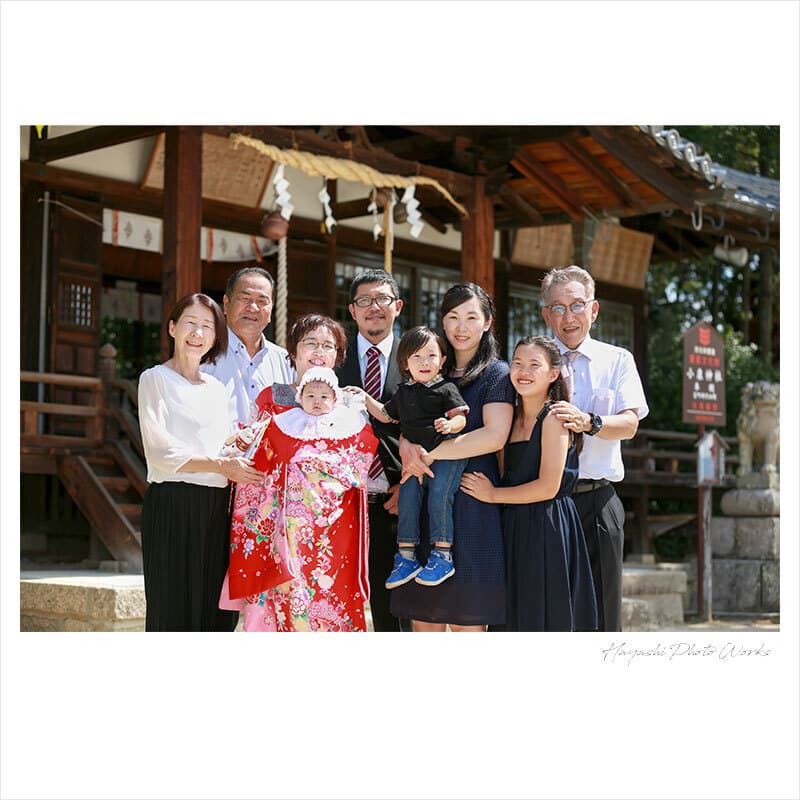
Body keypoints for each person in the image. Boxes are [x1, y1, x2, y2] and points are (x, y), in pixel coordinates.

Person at [391, 283, 515, 631]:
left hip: (473, 500)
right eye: (453, 317)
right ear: (442, 322)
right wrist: (406, 446)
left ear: (487, 322)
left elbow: (494, 435)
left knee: (467, 621)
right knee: (424, 620)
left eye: (471, 318)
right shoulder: (426, 370)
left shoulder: (497, 374)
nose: (461, 327)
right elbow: (408, 423)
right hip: (426, 497)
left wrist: (427, 454)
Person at [138, 293, 264, 632]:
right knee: (174, 606)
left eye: (207, 326)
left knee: (216, 611)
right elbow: (161, 453)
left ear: (215, 336)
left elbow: (222, 445)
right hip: (173, 504)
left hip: (217, 508)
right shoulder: (155, 379)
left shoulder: (215, 387)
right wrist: (223, 466)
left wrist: (245, 446)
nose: (198, 333)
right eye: (190, 323)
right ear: (173, 328)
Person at [221, 366, 378, 632]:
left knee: (333, 578)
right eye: (310, 395)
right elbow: (259, 457)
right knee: (293, 583)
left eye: (324, 396)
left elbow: (361, 461)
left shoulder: (352, 425)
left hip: (336, 522)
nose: (317, 402)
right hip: (292, 522)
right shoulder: (282, 423)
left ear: (335, 398)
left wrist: (324, 474)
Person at [460, 336, 598, 632]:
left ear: (552, 374)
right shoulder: (508, 416)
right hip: (512, 524)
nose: (523, 371)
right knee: (511, 617)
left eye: (534, 365)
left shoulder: (555, 417)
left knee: (542, 616)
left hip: (547, 525)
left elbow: (548, 486)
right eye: (518, 363)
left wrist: (493, 494)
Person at [540, 265, 649, 632]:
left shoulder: (617, 360)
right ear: (546, 314)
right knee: (550, 611)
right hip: (546, 501)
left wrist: (590, 422)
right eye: (557, 307)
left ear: (594, 310)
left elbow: (630, 424)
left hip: (598, 500)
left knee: (603, 616)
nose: (567, 317)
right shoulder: (532, 362)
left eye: (576, 305)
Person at [348, 326, 469, 589]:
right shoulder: (404, 392)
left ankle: (442, 554)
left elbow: (460, 417)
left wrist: (451, 425)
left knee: (439, 496)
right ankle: (406, 556)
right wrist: (363, 396)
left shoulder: (446, 388)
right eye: (416, 357)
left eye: (431, 356)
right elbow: (385, 414)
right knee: (409, 499)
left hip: (446, 456)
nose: (424, 362)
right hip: (414, 460)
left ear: (442, 360)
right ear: (405, 363)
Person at [335, 269, 408, 632]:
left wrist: (410, 484)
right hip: (340, 505)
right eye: (364, 300)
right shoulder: (333, 358)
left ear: (397, 306)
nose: (373, 307)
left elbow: (430, 429)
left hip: (399, 500)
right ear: (352, 310)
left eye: (381, 299)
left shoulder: (419, 356)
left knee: (395, 611)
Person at [202, 266, 295, 426]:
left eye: (262, 301)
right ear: (226, 304)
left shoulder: (286, 362)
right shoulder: (204, 355)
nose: (253, 308)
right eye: (244, 299)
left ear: (271, 310)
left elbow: (292, 417)